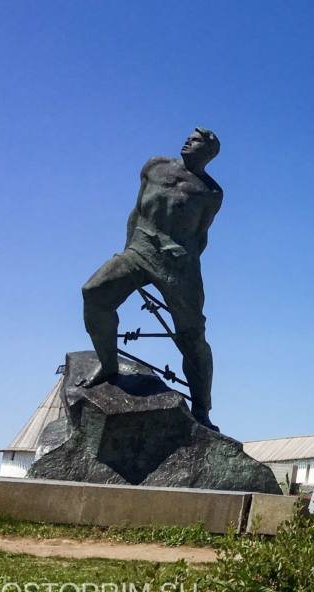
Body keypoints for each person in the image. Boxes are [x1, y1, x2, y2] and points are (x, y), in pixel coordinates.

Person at [79, 128, 223, 430]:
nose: (188, 141)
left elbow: (200, 236)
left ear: (208, 153)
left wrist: (183, 264)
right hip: (140, 248)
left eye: (196, 141)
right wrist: (129, 251)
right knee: (94, 293)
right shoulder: (154, 166)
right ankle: (108, 366)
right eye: (189, 136)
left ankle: (202, 410)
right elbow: (136, 210)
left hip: (178, 265)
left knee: (193, 338)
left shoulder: (211, 193)